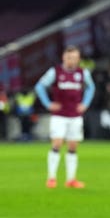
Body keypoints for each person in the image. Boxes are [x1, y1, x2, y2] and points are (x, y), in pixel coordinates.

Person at [35, 45, 95, 188]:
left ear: (78, 58)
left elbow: (91, 87)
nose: (72, 60)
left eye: (74, 58)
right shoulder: (55, 72)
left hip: (75, 115)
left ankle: (71, 179)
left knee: (73, 146)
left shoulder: (82, 73)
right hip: (59, 116)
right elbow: (39, 86)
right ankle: (51, 178)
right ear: (64, 57)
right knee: (57, 143)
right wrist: (48, 103)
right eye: (69, 57)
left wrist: (85, 103)